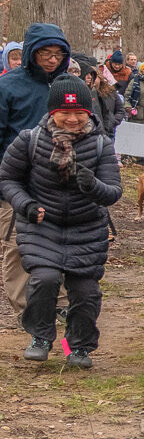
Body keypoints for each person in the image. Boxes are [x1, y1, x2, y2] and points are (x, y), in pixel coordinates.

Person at [5, 76, 121, 368]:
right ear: (52, 112)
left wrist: (92, 184)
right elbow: (8, 179)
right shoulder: (29, 140)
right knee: (44, 280)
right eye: (64, 113)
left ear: (89, 112)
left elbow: (113, 192)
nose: (72, 119)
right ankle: (40, 336)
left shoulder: (101, 144)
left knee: (86, 291)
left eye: (79, 113)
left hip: (87, 228)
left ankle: (77, 346)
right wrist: (26, 205)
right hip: (41, 225)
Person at [0, 24, 71, 318]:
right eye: (45, 53)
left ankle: (61, 302)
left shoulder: (67, 85)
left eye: (58, 54)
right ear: (32, 52)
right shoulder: (7, 86)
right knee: (19, 245)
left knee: (61, 242)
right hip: (17, 182)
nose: (52, 60)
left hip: (60, 181)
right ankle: (26, 308)